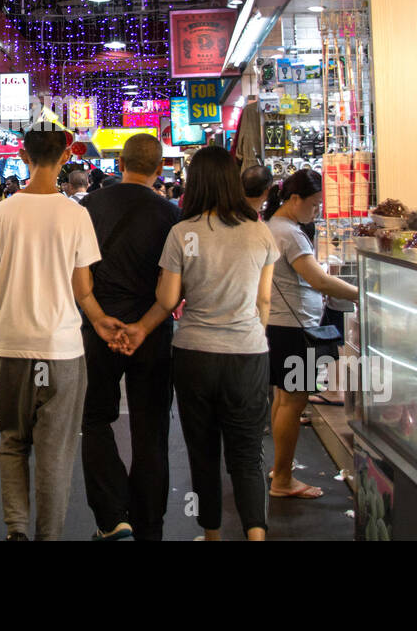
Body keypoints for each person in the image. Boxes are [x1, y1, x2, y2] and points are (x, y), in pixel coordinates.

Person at [128, 145, 279, 541]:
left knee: (204, 452)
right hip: (247, 354)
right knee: (248, 456)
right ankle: (256, 537)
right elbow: (264, 300)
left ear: (194, 184)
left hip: (194, 354)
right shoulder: (260, 231)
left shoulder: (183, 233)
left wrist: (140, 328)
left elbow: (168, 299)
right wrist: (253, 336)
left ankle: (212, 537)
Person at [0, 121, 113, 541]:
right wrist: (102, 322)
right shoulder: (76, 215)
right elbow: (82, 288)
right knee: (56, 451)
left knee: (13, 439)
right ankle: (48, 536)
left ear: (23, 156)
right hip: (62, 349)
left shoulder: (1, 213)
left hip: (12, 345)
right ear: (64, 158)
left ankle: (16, 529)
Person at [79, 133, 180, 541]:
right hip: (151, 332)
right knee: (150, 427)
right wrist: (143, 327)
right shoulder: (171, 215)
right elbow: (175, 286)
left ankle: (111, 516)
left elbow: (77, 272)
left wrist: (101, 318)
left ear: (121, 162)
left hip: (98, 327)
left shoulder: (89, 207)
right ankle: (149, 526)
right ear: (160, 169)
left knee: (95, 418)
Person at [261, 169, 359, 501]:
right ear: (295, 199)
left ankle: (280, 469)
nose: (316, 211)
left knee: (284, 400)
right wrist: (362, 294)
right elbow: (318, 280)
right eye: (314, 205)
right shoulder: (288, 233)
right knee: (292, 402)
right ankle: (283, 479)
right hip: (296, 327)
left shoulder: (275, 227)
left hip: (281, 325)